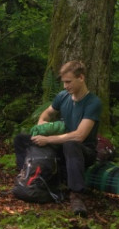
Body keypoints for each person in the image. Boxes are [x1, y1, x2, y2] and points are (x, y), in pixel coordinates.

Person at [14, 61, 101, 216]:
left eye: (68, 82)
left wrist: (48, 140)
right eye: (63, 82)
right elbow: (46, 114)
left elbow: (79, 136)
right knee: (21, 139)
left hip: (83, 151)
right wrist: (44, 127)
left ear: (81, 77)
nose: (65, 86)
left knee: (71, 144)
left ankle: (76, 195)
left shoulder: (93, 103)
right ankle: (28, 178)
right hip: (60, 144)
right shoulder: (63, 96)